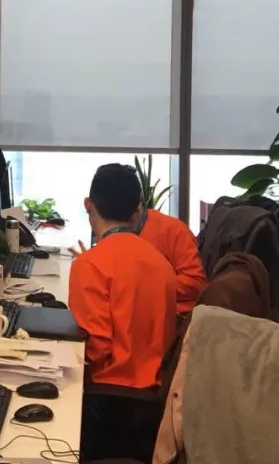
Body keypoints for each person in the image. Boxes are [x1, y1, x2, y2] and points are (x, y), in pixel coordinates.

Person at [69, 164, 178, 389]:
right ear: (137, 212)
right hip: (158, 392)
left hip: (108, 390)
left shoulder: (89, 264)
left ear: (88, 205)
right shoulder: (161, 262)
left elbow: (96, 350)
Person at [137, 206, 208, 313]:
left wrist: (148, 288)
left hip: (175, 316)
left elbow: (196, 282)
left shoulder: (172, 230)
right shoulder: (111, 234)